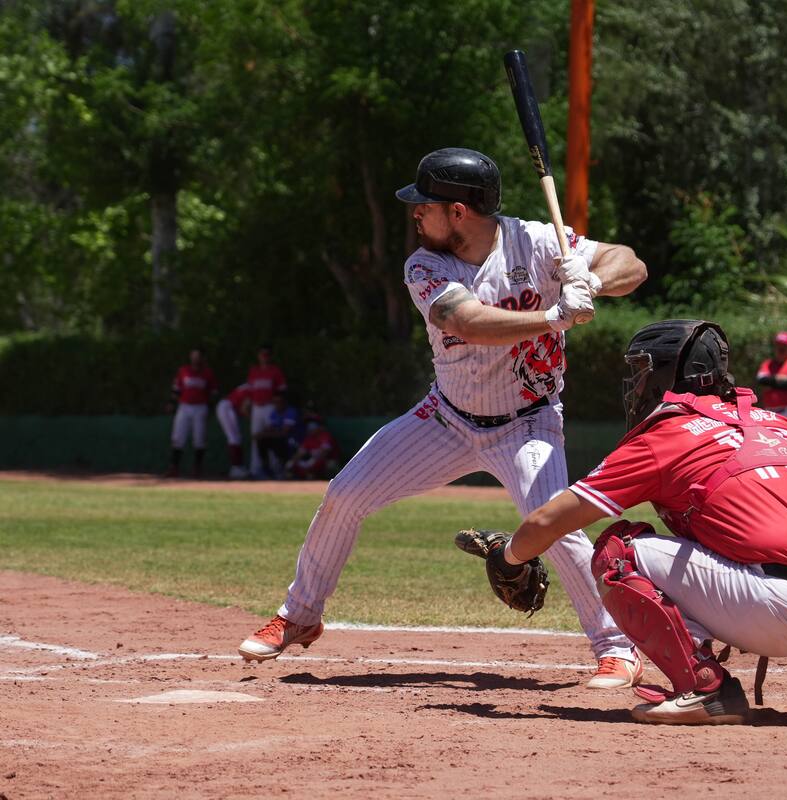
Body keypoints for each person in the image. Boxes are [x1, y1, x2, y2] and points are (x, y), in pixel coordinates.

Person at [237, 147, 649, 688]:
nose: (416, 214)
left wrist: (591, 279)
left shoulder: (537, 239)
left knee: (557, 525)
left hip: (527, 421)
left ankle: (616, 646)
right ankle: (301, 614)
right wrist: (554, 315)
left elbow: (632, 264)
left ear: (458, 211)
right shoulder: (425, 264)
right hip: (446, 418)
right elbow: (467, 320)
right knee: (344, 494)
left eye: (425, 205)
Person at [489, 319, 787, 725]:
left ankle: (705, 688)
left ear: (668, 375)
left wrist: (509, 558)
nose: (637, 383)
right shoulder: (776, 422)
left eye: (642, 370)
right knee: (786, 545)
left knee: (618, 553)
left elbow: (550, 520)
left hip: (778, 610)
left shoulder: (665, 436)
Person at [166, 348, 217, 478]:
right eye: (193, 356)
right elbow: (176, 389)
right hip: (184, 407)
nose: (195, 359)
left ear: (202, 358)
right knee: (178, 437)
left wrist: (210, 407)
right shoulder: (183, 370)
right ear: (190, 357)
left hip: (200, 407)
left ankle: (197, 469)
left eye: (198, 356)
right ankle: (174, 468)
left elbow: (213, 392)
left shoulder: (207, 373)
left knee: (199, 439)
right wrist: (172, 403)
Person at [245, 344, 288, 477]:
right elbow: (250, 390)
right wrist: (248, 405)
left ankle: (275, 470)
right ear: (258, 356)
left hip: (270, 407)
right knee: (256, 437)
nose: (264, 357)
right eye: (262, 354)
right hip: (257, 407)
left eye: (267, 354)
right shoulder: (254, 371)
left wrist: (277, 404)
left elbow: (282, 390)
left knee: (271, 437)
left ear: (270, 356)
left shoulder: (275, 371)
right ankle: (255, 470)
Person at [756, 331, 787, 426]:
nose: (781, 349)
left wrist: (772, 383)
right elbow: (761, 380)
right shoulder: (768, 364)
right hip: (770, 413)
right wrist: (779, 379)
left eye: (784, 346)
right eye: (779, 346)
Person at [253, 392, 303, 479]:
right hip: (279, 439)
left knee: (279, 442)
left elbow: (285, 432)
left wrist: (265, 434)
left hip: (294, 440)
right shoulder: (274, 413)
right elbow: (270, 428)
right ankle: (266, 469)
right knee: (261, 441)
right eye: (275, 402)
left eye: (279, 402)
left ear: (284, 402)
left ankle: (284, 470)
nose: (277, 404)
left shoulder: (291, 412)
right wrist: (261, 434)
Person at [215, 382, 253, 479]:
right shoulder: (253, 388)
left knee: (235, 438)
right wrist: (253, 419)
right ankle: (236, 468)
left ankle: (238, 467)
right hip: (227, 407)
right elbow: (244, 409)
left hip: (227, 406)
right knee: (234, 438)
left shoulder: (249, 385)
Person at [286, 413, 340, 480]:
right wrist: (292, 461)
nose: (310, 426)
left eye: (313, 424)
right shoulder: (309, 438)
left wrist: (312, 461)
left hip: (326, 460)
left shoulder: (325, 436)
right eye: (309, 424)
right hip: (310, 462)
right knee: (294, 466)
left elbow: (325, 452)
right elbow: (301, 452)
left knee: (326, 465)